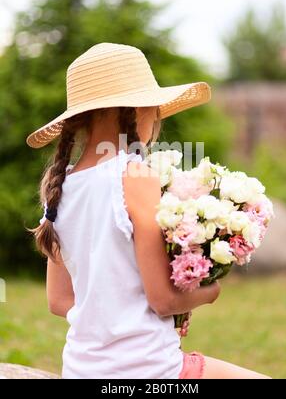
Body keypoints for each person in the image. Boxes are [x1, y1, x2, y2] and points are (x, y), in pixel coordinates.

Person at [27, 43, 270, 379]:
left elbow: (58, 301)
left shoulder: (58, 191)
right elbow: (163, 301)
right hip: (149, 371)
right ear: (137, 110)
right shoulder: (135, 176)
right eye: (154, 110)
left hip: (81, 371)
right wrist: (210, 292)